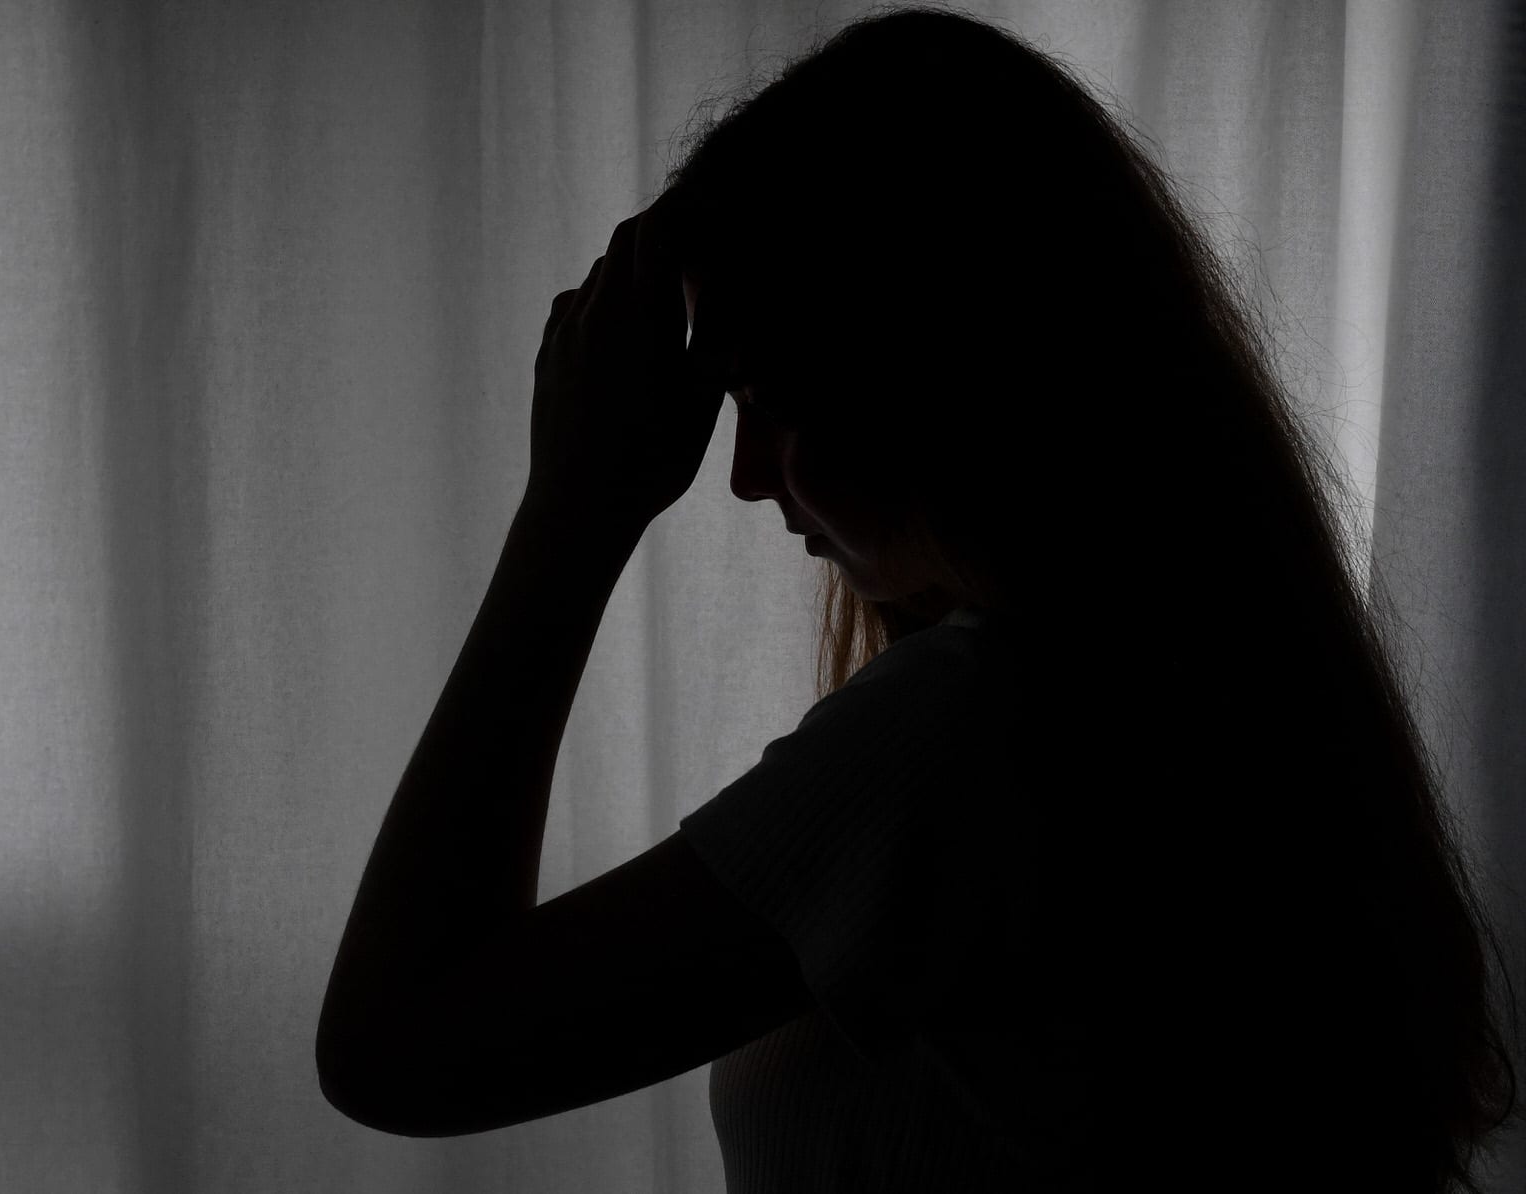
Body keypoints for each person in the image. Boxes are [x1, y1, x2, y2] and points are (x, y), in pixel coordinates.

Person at [320, 6, 1521, 1191]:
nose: (740, 478)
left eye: (769, 392)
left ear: (925, 378)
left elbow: (396, 1050)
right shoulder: (1196, 696)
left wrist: (571, 517)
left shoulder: (971, 734)